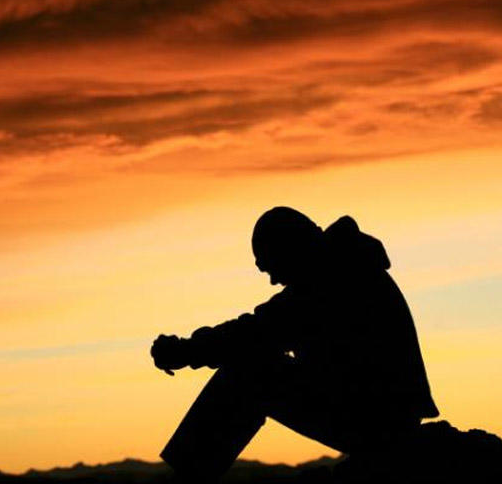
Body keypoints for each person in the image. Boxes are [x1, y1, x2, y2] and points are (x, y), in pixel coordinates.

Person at [151, 206, 439, 481]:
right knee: (252, 364)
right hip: (378, 412)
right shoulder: (342, 266)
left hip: (377, 422)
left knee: (248, 372)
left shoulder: (333, 278)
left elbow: (257, 333)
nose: (274, 281)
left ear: (290, 250)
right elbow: (265, 330)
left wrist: (186, 351)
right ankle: (189, 472)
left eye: (272, 267)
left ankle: (188, 477)